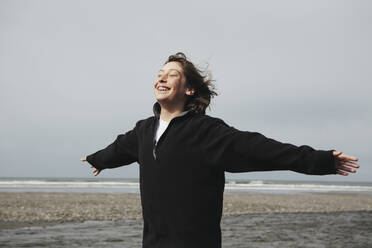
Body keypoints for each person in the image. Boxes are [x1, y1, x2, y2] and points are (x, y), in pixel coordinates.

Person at [81, 52, 359, 248]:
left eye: (171, 74)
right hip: (153, 243)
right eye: (159, 74)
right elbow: (120, 146)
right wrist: (99, 160)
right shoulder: (143, 130)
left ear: (189, 89)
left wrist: (322, 161)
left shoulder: (207, 132)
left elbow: (261, 148)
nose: (161, 79)